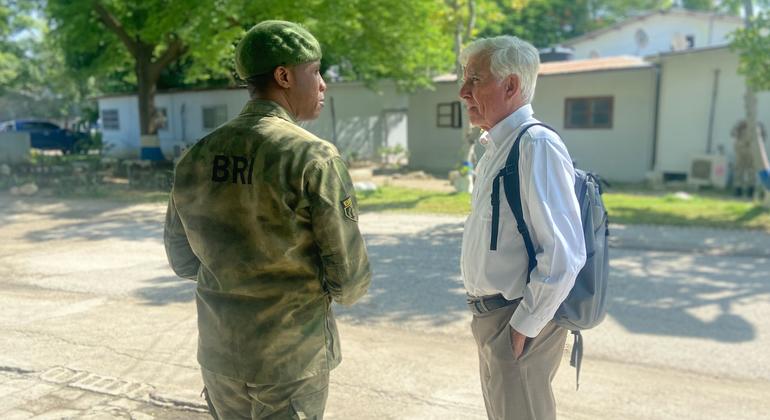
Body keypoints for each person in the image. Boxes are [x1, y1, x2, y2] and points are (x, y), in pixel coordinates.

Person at [164, 20, 371, 419]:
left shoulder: (198, 154)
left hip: (221, 355)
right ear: (284, 75)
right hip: (289, 361)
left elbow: (182, 261)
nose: (324, 83)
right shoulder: (312, 157)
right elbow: (348, 281)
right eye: (315, 71)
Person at [458, 36, 586, 420]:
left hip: (516, 319)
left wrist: (522, 328)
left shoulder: (535, 144)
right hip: (495, 318)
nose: (463, 92)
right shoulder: (498, 147)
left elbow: (563, 253)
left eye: (474, 80)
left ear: (510, 86)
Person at [732, 120, 767, 198]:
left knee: (751, 170)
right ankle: (738, 189)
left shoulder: (758, 125)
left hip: (752, 151)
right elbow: (733, 134)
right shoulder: (741, 124)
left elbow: (763, 137)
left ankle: (750, 190)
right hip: (741, 150)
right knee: (739, 170)